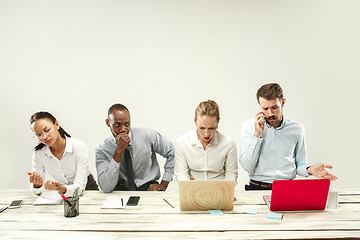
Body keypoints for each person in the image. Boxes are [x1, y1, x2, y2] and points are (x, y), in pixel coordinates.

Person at [239, 83, 337, 190]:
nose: (270, 113)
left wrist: (309, 169)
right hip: (257, 188)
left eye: (274, 107)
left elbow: (300, 164)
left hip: (287, 189)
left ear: (283, 102)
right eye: (265, 108)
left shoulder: (297, 129)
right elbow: (247, 166)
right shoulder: (249, 126)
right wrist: (257, 135)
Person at [96, 104, 175, 192]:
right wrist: (118, 151)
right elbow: (106, 187)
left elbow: (172, 152)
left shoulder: (147, 135)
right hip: (120, 192)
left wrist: (164, 183)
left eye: (127, 124)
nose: (123, 129)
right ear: (108, 123)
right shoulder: (102, 150)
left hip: (148, 189)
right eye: (117, 125)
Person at [27, 111, 98, 197]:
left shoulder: (79, 147)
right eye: (38, 135)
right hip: (62, 192)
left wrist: (59, 188)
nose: (44, 137)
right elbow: (37, 191)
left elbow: (80, 186)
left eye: (47, 130)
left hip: (88, 190)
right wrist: (37, 185)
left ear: (57, 125)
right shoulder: (39, 153)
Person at [175, 100, 238, 182]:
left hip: (220, 190)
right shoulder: (183, 142)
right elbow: (181, 174)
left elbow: (231, 174)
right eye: (202, 128)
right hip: (193, 190)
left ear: (218, 122)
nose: (206, 134)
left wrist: (224, 190)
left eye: (211, 128)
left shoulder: (228, 143)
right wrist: (190, 187)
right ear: (195, 121)